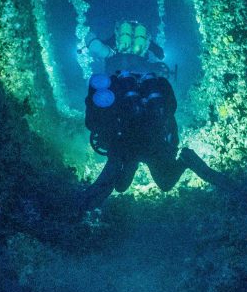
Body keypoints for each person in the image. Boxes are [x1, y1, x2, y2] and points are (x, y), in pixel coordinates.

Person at [77, 57, 226, 210]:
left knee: (121, 186)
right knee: (165, 184)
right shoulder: (159, 85)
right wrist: (170, 143)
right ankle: (186, 158)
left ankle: (84, 207)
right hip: (153, 142)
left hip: (126, 147)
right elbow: (171, 109)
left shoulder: (111, 88)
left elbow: (91, 123)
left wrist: (110, 141)